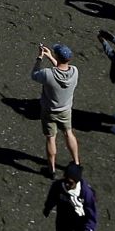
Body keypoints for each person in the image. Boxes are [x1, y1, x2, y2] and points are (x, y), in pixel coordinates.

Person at [31, 43, 80, 176]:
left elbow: (34, 74)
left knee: (51, 138)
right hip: (65, 111)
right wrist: (50, 57)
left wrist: (40, 58)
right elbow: (61, 69)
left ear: (58, 56)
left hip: (49, 111)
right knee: (68, 133)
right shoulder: (75, 72)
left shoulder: (48, 74)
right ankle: (76, 162)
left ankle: (51, 169)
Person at [41, 163, 97, 231]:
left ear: (76, 181)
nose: (67, 184)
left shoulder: (86, 193)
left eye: (70, 183)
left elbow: (91, 214)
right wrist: (48, 207)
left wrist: (89, 228)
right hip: (62, 219)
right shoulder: (58, 186)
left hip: (79, 222)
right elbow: (52, 197)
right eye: (65, 181)